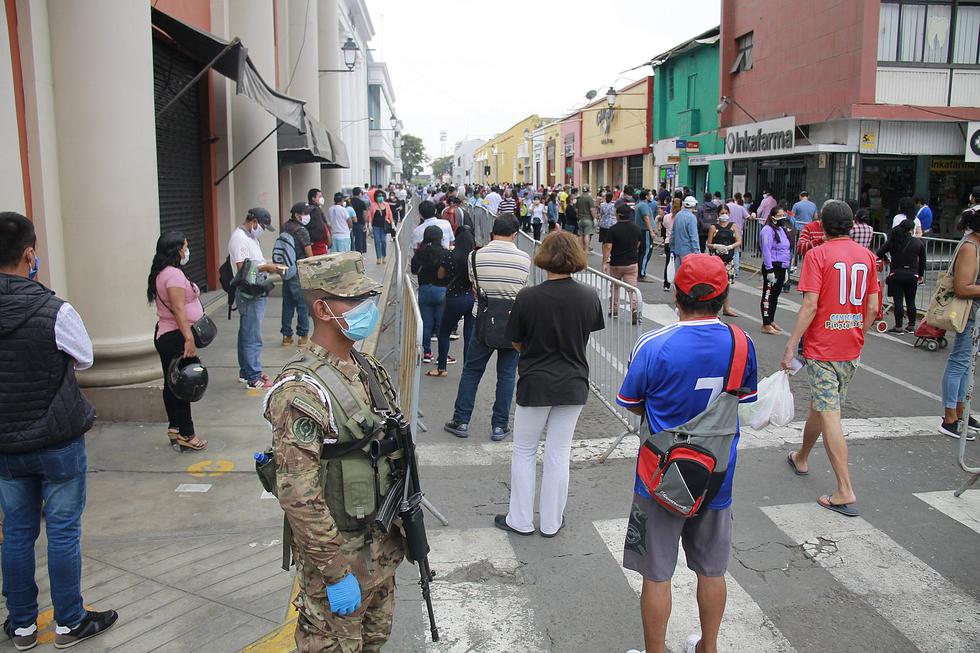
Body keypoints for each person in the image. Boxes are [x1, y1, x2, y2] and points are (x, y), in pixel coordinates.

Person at [617, 253, 758, 653]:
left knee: (656, 574)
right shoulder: (742, 343)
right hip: (717, 476)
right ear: (723, 297)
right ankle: (708, 647)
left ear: (677, 296)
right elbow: (744, 401)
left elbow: (632, 402)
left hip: (660, 478)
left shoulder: (654, 344)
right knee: (712, 570)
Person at [264, 252, 404, 652]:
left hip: (379, 554)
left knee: (374, 642)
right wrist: (335, 572)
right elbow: (299, 494)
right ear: (323, 310)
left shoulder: (366, 366)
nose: (367, 308)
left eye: (367, 298)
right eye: (354, 300)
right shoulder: (302, 390)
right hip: (339, 565)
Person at [0, 212, 118, 649]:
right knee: (63, 531)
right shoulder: (55, 310)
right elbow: (84, 358)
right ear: (29, 254)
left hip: (7, 442)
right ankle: (69, 622)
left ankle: (22, 626)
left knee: (16, 532)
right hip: (57, 441)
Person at [496, 231, 603, 538]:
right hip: (573, 381)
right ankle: (552, 521)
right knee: (558, 452)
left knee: (525, 451)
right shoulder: (589, 295)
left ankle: (520, 519)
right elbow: (584, 335)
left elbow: (516, 341)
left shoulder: (528, 297)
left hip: (536, 380)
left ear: (543, 257)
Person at [783, 200, 880, 517]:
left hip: (822, 347)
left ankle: (844, 488)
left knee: (830, 413)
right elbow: (873, 307)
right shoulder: (867, 256)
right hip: (850, 346)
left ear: (822, 225)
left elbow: (810, 305)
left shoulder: (817, 255)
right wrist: (858, 333)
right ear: (851, 225)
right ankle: (802, 456)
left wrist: (791, 343)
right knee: (822, 406)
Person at [445, 215, 530, 441]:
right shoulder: (524, 259)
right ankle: (499, 426)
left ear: (493, 232)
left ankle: (461, 421)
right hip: (512, 323)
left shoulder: (475, 256)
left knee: (472, 371)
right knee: (507, 376)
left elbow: (475, 286)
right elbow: (522, 289)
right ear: (515, 235)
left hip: (483, 321)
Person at [148, 231, 209, 452]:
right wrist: (188, 338)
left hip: (167, 334)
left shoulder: (161, 272)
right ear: (176, 250)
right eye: (185, 247)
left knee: (172, 383)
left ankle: (175, 427)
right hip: (175, 336)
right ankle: (187, 433)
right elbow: (178, 307)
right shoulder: (172, 274)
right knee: (185, 384)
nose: (187, 251)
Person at [229, 208, 284, 389]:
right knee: (252, 335)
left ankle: (246, 372)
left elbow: (254, 262)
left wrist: (268, 266)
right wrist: (266, 268)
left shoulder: (251, 238)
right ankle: (254, 377)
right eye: (262, 226)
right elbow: (242, 268)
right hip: (249, 293)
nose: (262, 230)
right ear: (253, 222)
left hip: (256, 289)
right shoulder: (240, 238)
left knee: (246, 332)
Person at [938, 207, 980, 439]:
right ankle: (950, 417)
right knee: (960, 362)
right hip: (969, 313)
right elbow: (963, 287)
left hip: (974, 313)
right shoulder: (970, 247)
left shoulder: (974, 245)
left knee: (967, 364)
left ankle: (961, 411)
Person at [432, 226, 477, 377]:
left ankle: (442, 367)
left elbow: (440, 275)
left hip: (454, 297)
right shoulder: (474, 257)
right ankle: (467, 369)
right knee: (469, 336)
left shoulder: (449, 255)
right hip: (471, 298)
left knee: (444, 332)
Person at [876, 219, 926, 334]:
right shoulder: (918, 243)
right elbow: (923, 261)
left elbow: (879, 253)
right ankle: (911, 325)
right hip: (912, 275)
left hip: (896, 274)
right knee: (911, 301)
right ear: (911, 230)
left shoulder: (893, 241)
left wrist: (887, 259)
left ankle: (898, 326)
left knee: (898, 301)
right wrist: (920, 275)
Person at [412, 226, 451, 365]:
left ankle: (427, 353)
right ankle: (442, 356)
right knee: (442, 326)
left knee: (426, 324)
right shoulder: (445, 253)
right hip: (441, 291)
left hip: (424, 290)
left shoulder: (420, 252)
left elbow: (414, 270)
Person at [281, 202, 314, 347]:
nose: (307, 216)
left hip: (286, 270)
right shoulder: (301, 230)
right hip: (299, 271)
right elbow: (309, 254)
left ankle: (286, 336)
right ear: (296, 215)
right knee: (303, 304)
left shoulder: (285, 227)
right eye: (305, 213)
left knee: (287, 304)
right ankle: (303, 336)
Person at [607, 203, 644, 324]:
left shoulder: (613, 229)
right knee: (632, 289)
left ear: (618, 215)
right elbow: (638, 244)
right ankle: (634, 308)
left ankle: (614, 309)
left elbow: (608, 246)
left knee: (615, 287)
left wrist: (605, 261)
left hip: (616, 263)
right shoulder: (636, 228)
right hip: (631, 263)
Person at [760, 208, 792, 335]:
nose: (782, 218)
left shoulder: (781, 230)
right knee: (768, 295)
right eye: (779, 215)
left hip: (782, 266)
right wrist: (769, 269)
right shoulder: (767, 230)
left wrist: (786, 268)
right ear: (773, 217)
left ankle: (771, 319)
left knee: (775, 295)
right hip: (772, 266)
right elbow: (766, 250)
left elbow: (786, 248)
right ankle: (766, 323)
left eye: (783, 215)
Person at [707, 205, 741, 318]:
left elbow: (739, 241)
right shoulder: (714, 227)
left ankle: (726, 308)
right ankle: (713, 310)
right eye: (722, 213)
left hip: (728, 260)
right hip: (716, 260)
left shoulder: (733, 226)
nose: (724, 215)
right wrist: (716, 246)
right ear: (718, 214)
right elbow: (709, 244)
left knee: (726, 285)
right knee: (715, 285)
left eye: (726, 212)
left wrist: (730, 247)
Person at [670, 196, 700, 263]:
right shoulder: (692, 218)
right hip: (688, 251)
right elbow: (693, 237)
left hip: (677, 249)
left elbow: (673, 233)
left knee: (678, 269)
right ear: (694, 205)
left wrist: (672, 248)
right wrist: (697, 252)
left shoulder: (678, 215)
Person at [658, 198, 679, 291]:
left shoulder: (666, 217)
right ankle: (677, 284)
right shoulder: (680, 217)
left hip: (668, 241)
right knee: (678, 264)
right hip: (678, 242)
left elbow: (665, 225)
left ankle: (666, 284)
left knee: (668, 263)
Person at [369, 190, 394, 265]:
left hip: (384, 226)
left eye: (381, 196)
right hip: (376, 226)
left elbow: (390, 214)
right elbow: (370, 215)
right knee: (377, 241)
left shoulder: (386, 204)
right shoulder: (373, 205)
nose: (380, 197)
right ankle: (378, 257)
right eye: (379, 196)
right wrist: (369, 224)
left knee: (383, 241)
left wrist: (392, 223)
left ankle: (384, 256)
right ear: (376, 197)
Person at [635, 190, 656, 279]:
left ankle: (639, 271)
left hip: (641, 230)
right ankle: (641, 273)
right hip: (645, 231)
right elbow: (646, 218)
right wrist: (651, 231)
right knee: (646, 252)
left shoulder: (639, 205)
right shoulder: (644, 205)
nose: (651, 196)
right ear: (646, 196)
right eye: (649, 195)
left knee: (641, 252)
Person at [307, 188, 331, 255]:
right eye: (319, 196)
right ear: (313, 198)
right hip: (318, 245)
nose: (322, 199)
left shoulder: (309, 209)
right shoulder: (315, 211)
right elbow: (322, 227)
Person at [598, 192, 617, 271]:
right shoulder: (614, 205)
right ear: (612, 197)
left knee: (604, 241)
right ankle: (610, 255)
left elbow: (601, 214)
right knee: (612, 241)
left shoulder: (602, 205)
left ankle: (605, 256)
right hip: (612, 224)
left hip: (603, 224)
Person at [577, 185, 597, 252]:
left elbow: (576, 209)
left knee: (580, 234)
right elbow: (592, 209)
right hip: (588, 219)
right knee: (587, 234)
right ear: (588, 190)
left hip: (580, 219)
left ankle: (580, 249)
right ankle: (586, 249)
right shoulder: (589, 198)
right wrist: (594, 218)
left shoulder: (579, 198)